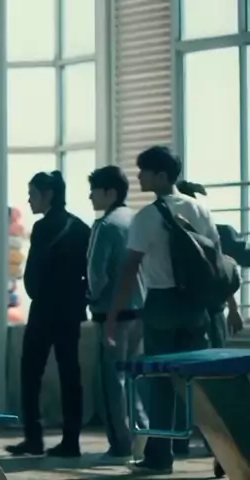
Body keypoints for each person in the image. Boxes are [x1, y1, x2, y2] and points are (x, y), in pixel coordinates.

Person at [106, 146, 218, 475]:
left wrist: (112, 317)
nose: (139, 176)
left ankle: (159, 455)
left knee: (159, 383)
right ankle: (223, 450)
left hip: (161, 304)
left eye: (144, 171)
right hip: (196, 305)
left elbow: (129, 270)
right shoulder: (199, 209)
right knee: (200, 383)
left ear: (161, 176)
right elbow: (216, 257)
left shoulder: (146, 217)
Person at [6, 171, 91, 458]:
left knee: (31, 374)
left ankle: (34, 438)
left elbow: (32, 275)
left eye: (33, 194)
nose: (29, 200)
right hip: (71, 311)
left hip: (44, 311)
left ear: (48, 195)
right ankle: (71, 440)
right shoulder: (80, 228)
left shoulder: (43, 228)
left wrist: (37, 292)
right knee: (70, 375)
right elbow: (89, 272)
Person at [175, 179, 244, 477]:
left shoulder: (207, 231)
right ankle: (211, 443)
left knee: (209, 377)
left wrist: (233, 307)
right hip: (199, 312)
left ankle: (214, 444)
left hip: (204, 312)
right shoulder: (197, 231)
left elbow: (220, 273)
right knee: (202, 377)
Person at [86, 166, 148, 462]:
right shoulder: (136, 220)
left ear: (110, 193)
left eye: (94, 191)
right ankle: (143, 435)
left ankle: (120, 444)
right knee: (135, 379)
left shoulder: (105, 225)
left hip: (112, 314)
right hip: (140, 311)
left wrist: (90, 296)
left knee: (113, 383)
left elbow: (96, 274)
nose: (90, 196)